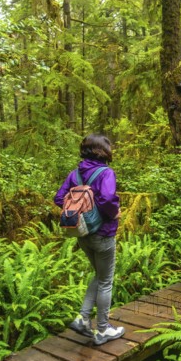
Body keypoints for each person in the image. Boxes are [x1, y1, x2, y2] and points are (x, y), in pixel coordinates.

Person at [54, 134, 125, 346]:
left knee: (99, 274)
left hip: (82, 234)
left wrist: (81, 212)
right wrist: (113, 213)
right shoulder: (106, 173)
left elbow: (59, 198)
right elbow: (108, 199)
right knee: (105, 281)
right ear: (103, 150)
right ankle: (103, 330)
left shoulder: (75, 174)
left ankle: (83, 319)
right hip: (103, 234)